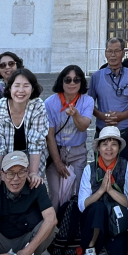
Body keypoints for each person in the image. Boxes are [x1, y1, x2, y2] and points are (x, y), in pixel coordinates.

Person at [0, 69, 50, 196]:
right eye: (17, 85)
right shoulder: (0, 106)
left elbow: (37, 142)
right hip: (7, 157)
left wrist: (33, 173)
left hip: (32, 156)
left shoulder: (38, 105)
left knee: (31, 190)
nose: (21, 90)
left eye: (26, 86)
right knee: (6, 193)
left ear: (32, 88)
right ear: (10, 88)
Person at [78, 126, 128, 255]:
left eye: (113, 144)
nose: (109, 149)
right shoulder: (89, 169)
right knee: (98, 208)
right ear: (99, 148)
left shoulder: (127, 166)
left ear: (119, 148)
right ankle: (90, 250)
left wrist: (110, 191)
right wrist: (101, 190)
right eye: (105, 144)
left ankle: (107, 247)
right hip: (94, 219)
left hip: (116, 219)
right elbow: (82, 205)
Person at [44, 64, 94, 209]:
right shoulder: (50, 102)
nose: (72, 83)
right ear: (62, 81)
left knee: (78, 191)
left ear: (81, 83)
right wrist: (57, 162)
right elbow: (50, 135)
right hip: (56, 151)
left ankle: (73, 226)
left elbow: (83, 126)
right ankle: (52, 228)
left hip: (77, 152)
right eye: (68, 80)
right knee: (55, 194)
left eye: (76, 80)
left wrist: (75, 114)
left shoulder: (87, 101)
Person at [91, 38, 128, 163]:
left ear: (123, 53)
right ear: (105, 53)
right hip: (104, 132)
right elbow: (89, 104)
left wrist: (123, 115)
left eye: (116, 51)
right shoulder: (96, 77)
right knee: (102, 172)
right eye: (109, 51)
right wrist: (103, 116)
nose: (113, 55)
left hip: (127, 131)